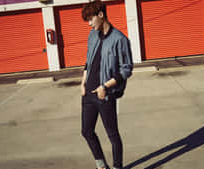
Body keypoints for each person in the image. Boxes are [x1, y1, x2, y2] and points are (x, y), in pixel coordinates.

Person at [80, 1, 133, 169]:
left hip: (105, 95)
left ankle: (118, 166)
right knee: (87, 131)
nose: (89, 23)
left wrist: (105, 87)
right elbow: (88, 61)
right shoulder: (92, 35)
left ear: (101, 15)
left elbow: (126, 70)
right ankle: (102, 165)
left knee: (112, 135)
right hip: (88, 94)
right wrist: (83, 83)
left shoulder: (120, 39)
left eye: (91, 19)